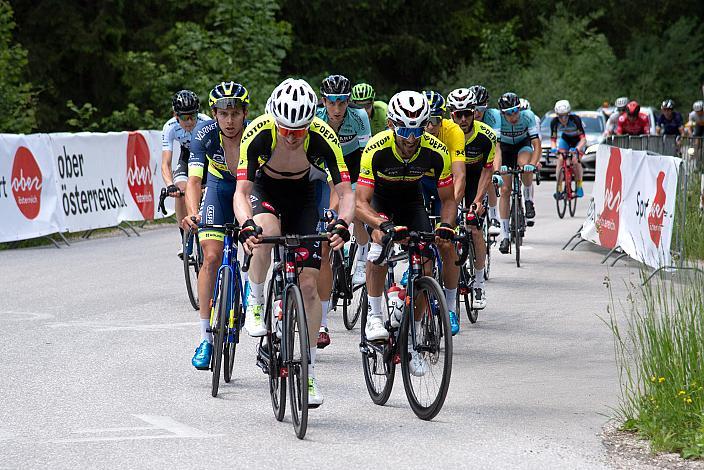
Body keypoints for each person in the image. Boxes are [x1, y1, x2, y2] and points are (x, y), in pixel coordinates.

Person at [235, 78, 354, 406]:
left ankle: (309, 371)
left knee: (309, 287)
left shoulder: (323, 136)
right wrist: (246, 223)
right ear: (274, 119)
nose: (290, 136)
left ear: (309, 123)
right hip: (265, 191)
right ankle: (256, 301)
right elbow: (241, 192)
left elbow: (345, 192)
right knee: (264, 232)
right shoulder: (258, 132)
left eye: (298, 130)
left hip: (303, 197)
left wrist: (343, 223)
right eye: (285, 129)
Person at [356, 90, 456, 375]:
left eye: (417, 130)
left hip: (412, 204)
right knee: (379, 246)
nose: (410, 139)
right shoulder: (376, 148)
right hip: (380, 203)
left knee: (426, 266)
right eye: (403, 130)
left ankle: (411, 340)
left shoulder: (435, 151)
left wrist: (446, 227)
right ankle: (375, 317)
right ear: (390, 125)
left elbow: (448, 200)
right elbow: (360, 203)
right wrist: (382, 225)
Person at [182, 81, 250, 370]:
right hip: (220, 187)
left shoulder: (254, 134)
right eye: (223, 114)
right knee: (210, 257)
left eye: (235, 113)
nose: (230, 121)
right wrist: (193, 213)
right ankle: (206, 339)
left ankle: (252, 287)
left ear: (245, 113)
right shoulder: (203, 134)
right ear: (214, 114)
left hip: (250, 187)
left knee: (258, 240)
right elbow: (194, 181)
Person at [314, 74, 371, 348]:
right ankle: (322, 322)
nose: (337, 109)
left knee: (358, 202)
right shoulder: (316, 117)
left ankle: (361, 256)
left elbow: (366, 157)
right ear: (323, 101)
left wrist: (355, 187)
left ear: (349, 101)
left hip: (351, 162)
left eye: (342, 102)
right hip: (323, 162)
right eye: (332, 102)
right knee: (324, 234)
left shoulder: (359, 117)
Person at [447, 87, 499, 317]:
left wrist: (477, 201)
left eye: (468, 113)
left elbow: (487, 173)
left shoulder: (486, 135)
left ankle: (478, 284)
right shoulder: (444, 134)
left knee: (474, 227)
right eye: (458, 114)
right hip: (452, 180)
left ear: (475, 112)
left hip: (476, 181)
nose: (464, 119)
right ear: (451, 114)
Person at [422, 89, 465, 335]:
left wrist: (451, 212)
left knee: (447, 244)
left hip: (444, 184)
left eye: (435, 121)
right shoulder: (413, 134)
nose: (429, 127)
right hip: (419, 182)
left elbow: (459, 176)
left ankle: (449, 306)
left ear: (443, 119)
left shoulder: (453, 132)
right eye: (425, 121)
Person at [487, 92, 541, 254]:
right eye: (509, 113)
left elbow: (536, 145)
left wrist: (533, 164)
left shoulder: (528, 116)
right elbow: (496, 147)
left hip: (522, 146)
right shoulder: (496, 118)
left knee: (524, 165)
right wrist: (497, 169)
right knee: (504, 190)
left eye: (516, 110)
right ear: (502, 113)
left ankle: (529, 200)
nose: (513, 115)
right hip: (504, 149)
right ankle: (504, 235)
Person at [160, 90, 210, 257]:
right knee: (181, 191)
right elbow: (166, 163)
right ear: (175, 115)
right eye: (184, 118)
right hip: (187, 158)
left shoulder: (207, 123)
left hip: (207, 160)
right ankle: (186, 238)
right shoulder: (170, 127)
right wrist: (169, 185)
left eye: (193, 116)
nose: (189, 122)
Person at [469, 84, 501, 236]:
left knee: (489, 179)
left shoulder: (493, 116)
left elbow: (497, 148)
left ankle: (494, 217)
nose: (477, 113)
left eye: (481, 109)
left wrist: (497, 172)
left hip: (487, 153)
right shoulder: (464, 116)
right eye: (474, 109)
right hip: (469, 155)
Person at [550, 99, 587, 198]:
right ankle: (559, 188)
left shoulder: (575, 120)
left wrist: (577, 148)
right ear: (557, 115)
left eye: (565, 115)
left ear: (569, 114)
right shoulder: (554, 122)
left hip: (577, 141)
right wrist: (554, 149)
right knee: (561, 159)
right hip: (565, 139)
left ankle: (579, 186)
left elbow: (583, 140)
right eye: (560, 116)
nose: (563, 118)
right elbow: (553, 139)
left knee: (575, 161)